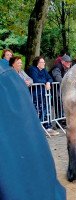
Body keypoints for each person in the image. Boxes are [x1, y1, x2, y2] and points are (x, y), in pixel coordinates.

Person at [0, 60, 66, 200]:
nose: (19, 65)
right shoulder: (11, 75)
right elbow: (37, 79)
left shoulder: (7, 76)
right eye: (41, 62)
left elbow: (44, 78)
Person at [28, 56, 59, 136]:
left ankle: (47, 127)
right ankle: (38, 128)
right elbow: (35, 79)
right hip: (36, 94)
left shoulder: (44, 70)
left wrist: (48, 82)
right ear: (37, 63)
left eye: (44, 62)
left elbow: (50, 78)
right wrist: (46, 82)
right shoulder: (33, 69)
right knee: (38, 110)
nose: (44, 63)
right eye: (42, 62)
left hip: (44, 94)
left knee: (46, 110)